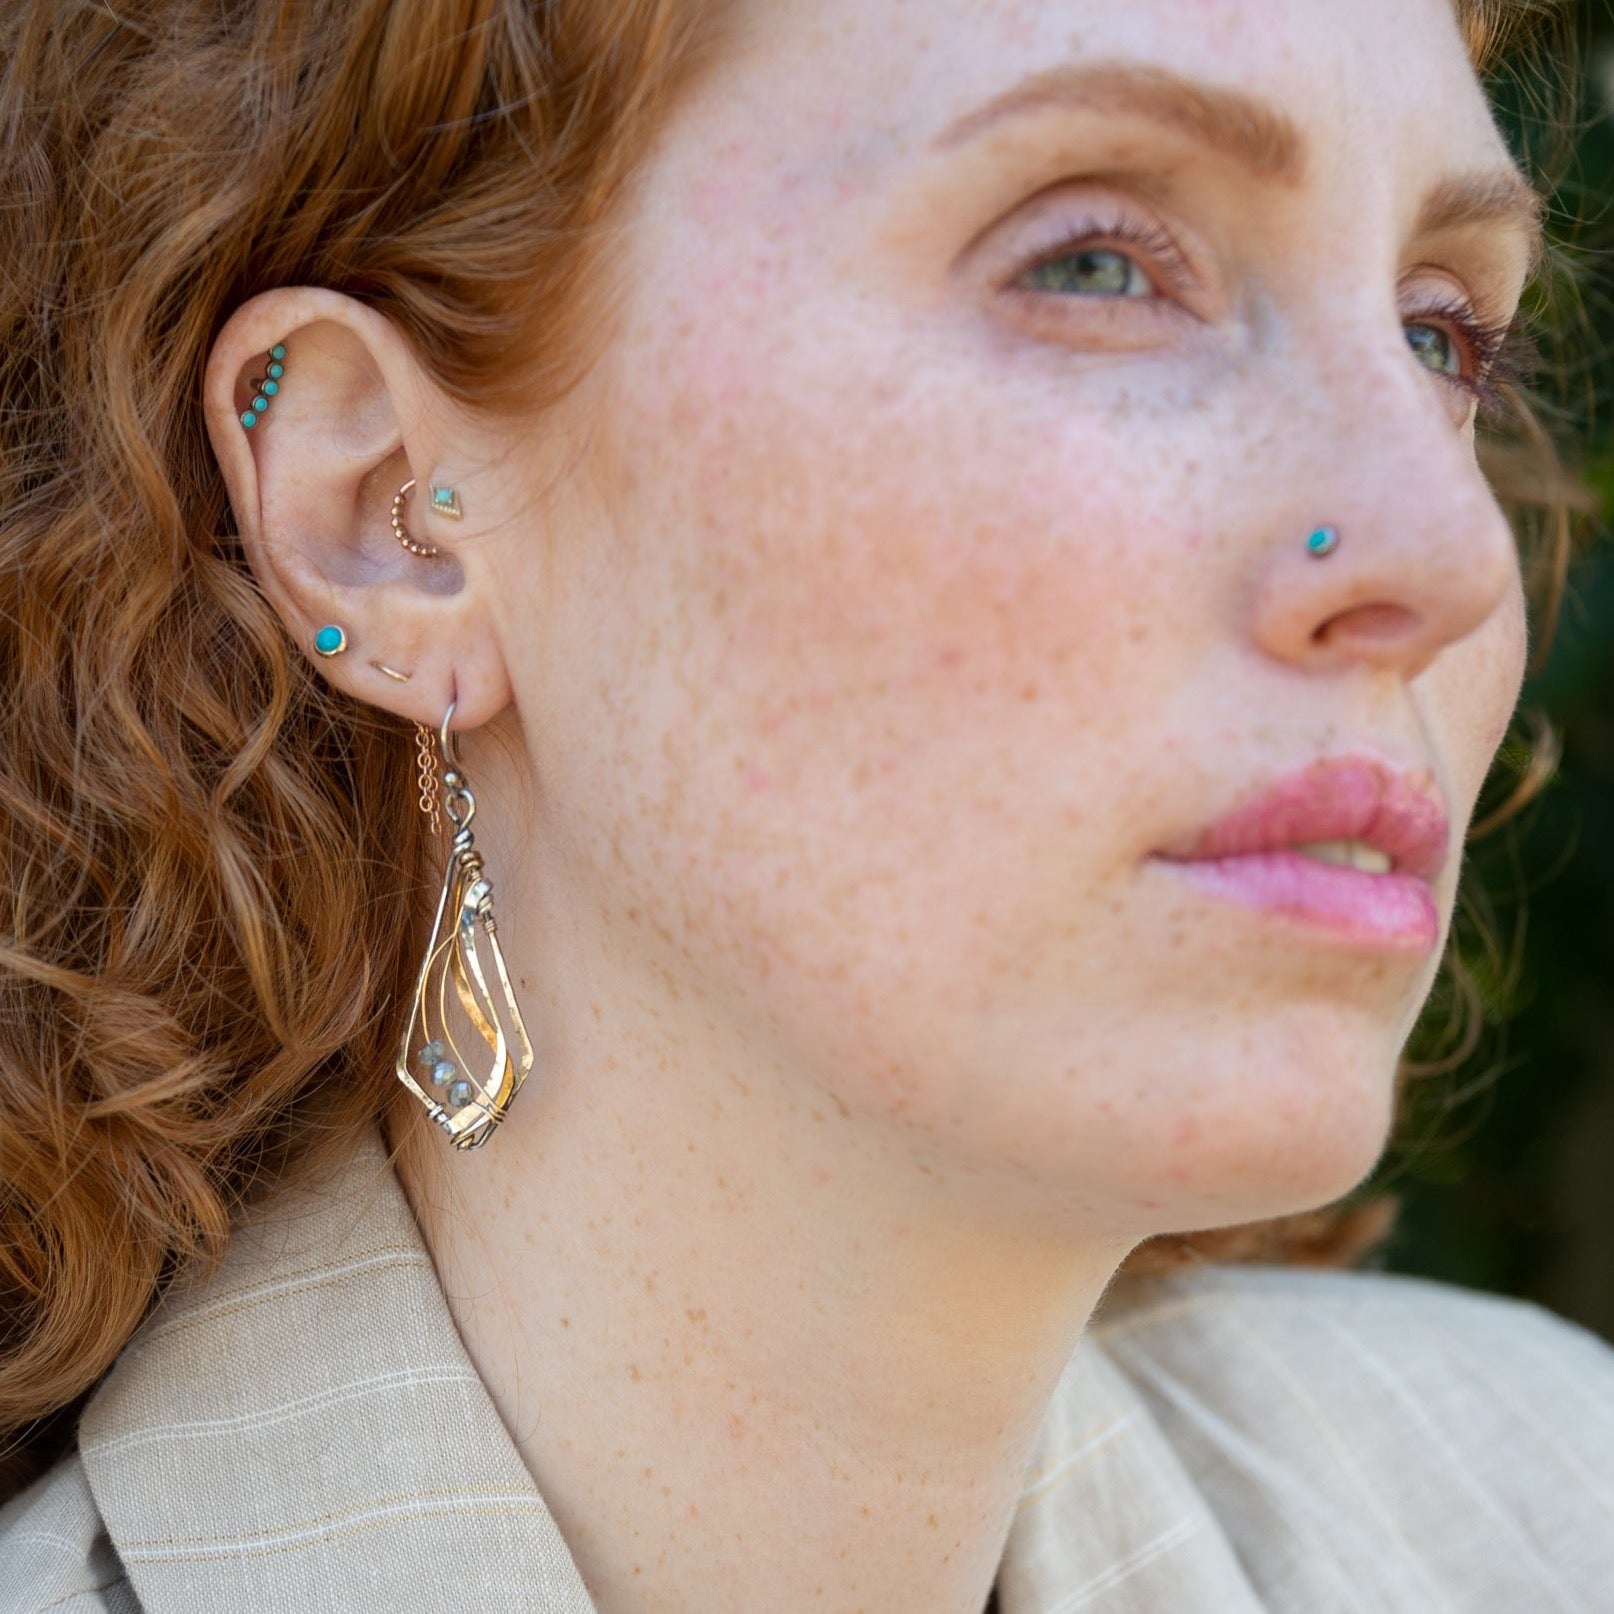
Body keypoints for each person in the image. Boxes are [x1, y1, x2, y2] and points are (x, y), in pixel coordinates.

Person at [1, 0, 1611, 1609]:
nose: (1447, 553)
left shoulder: (1541, 1509)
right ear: (389, 519)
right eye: (1097, 263)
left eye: (1437, 334)